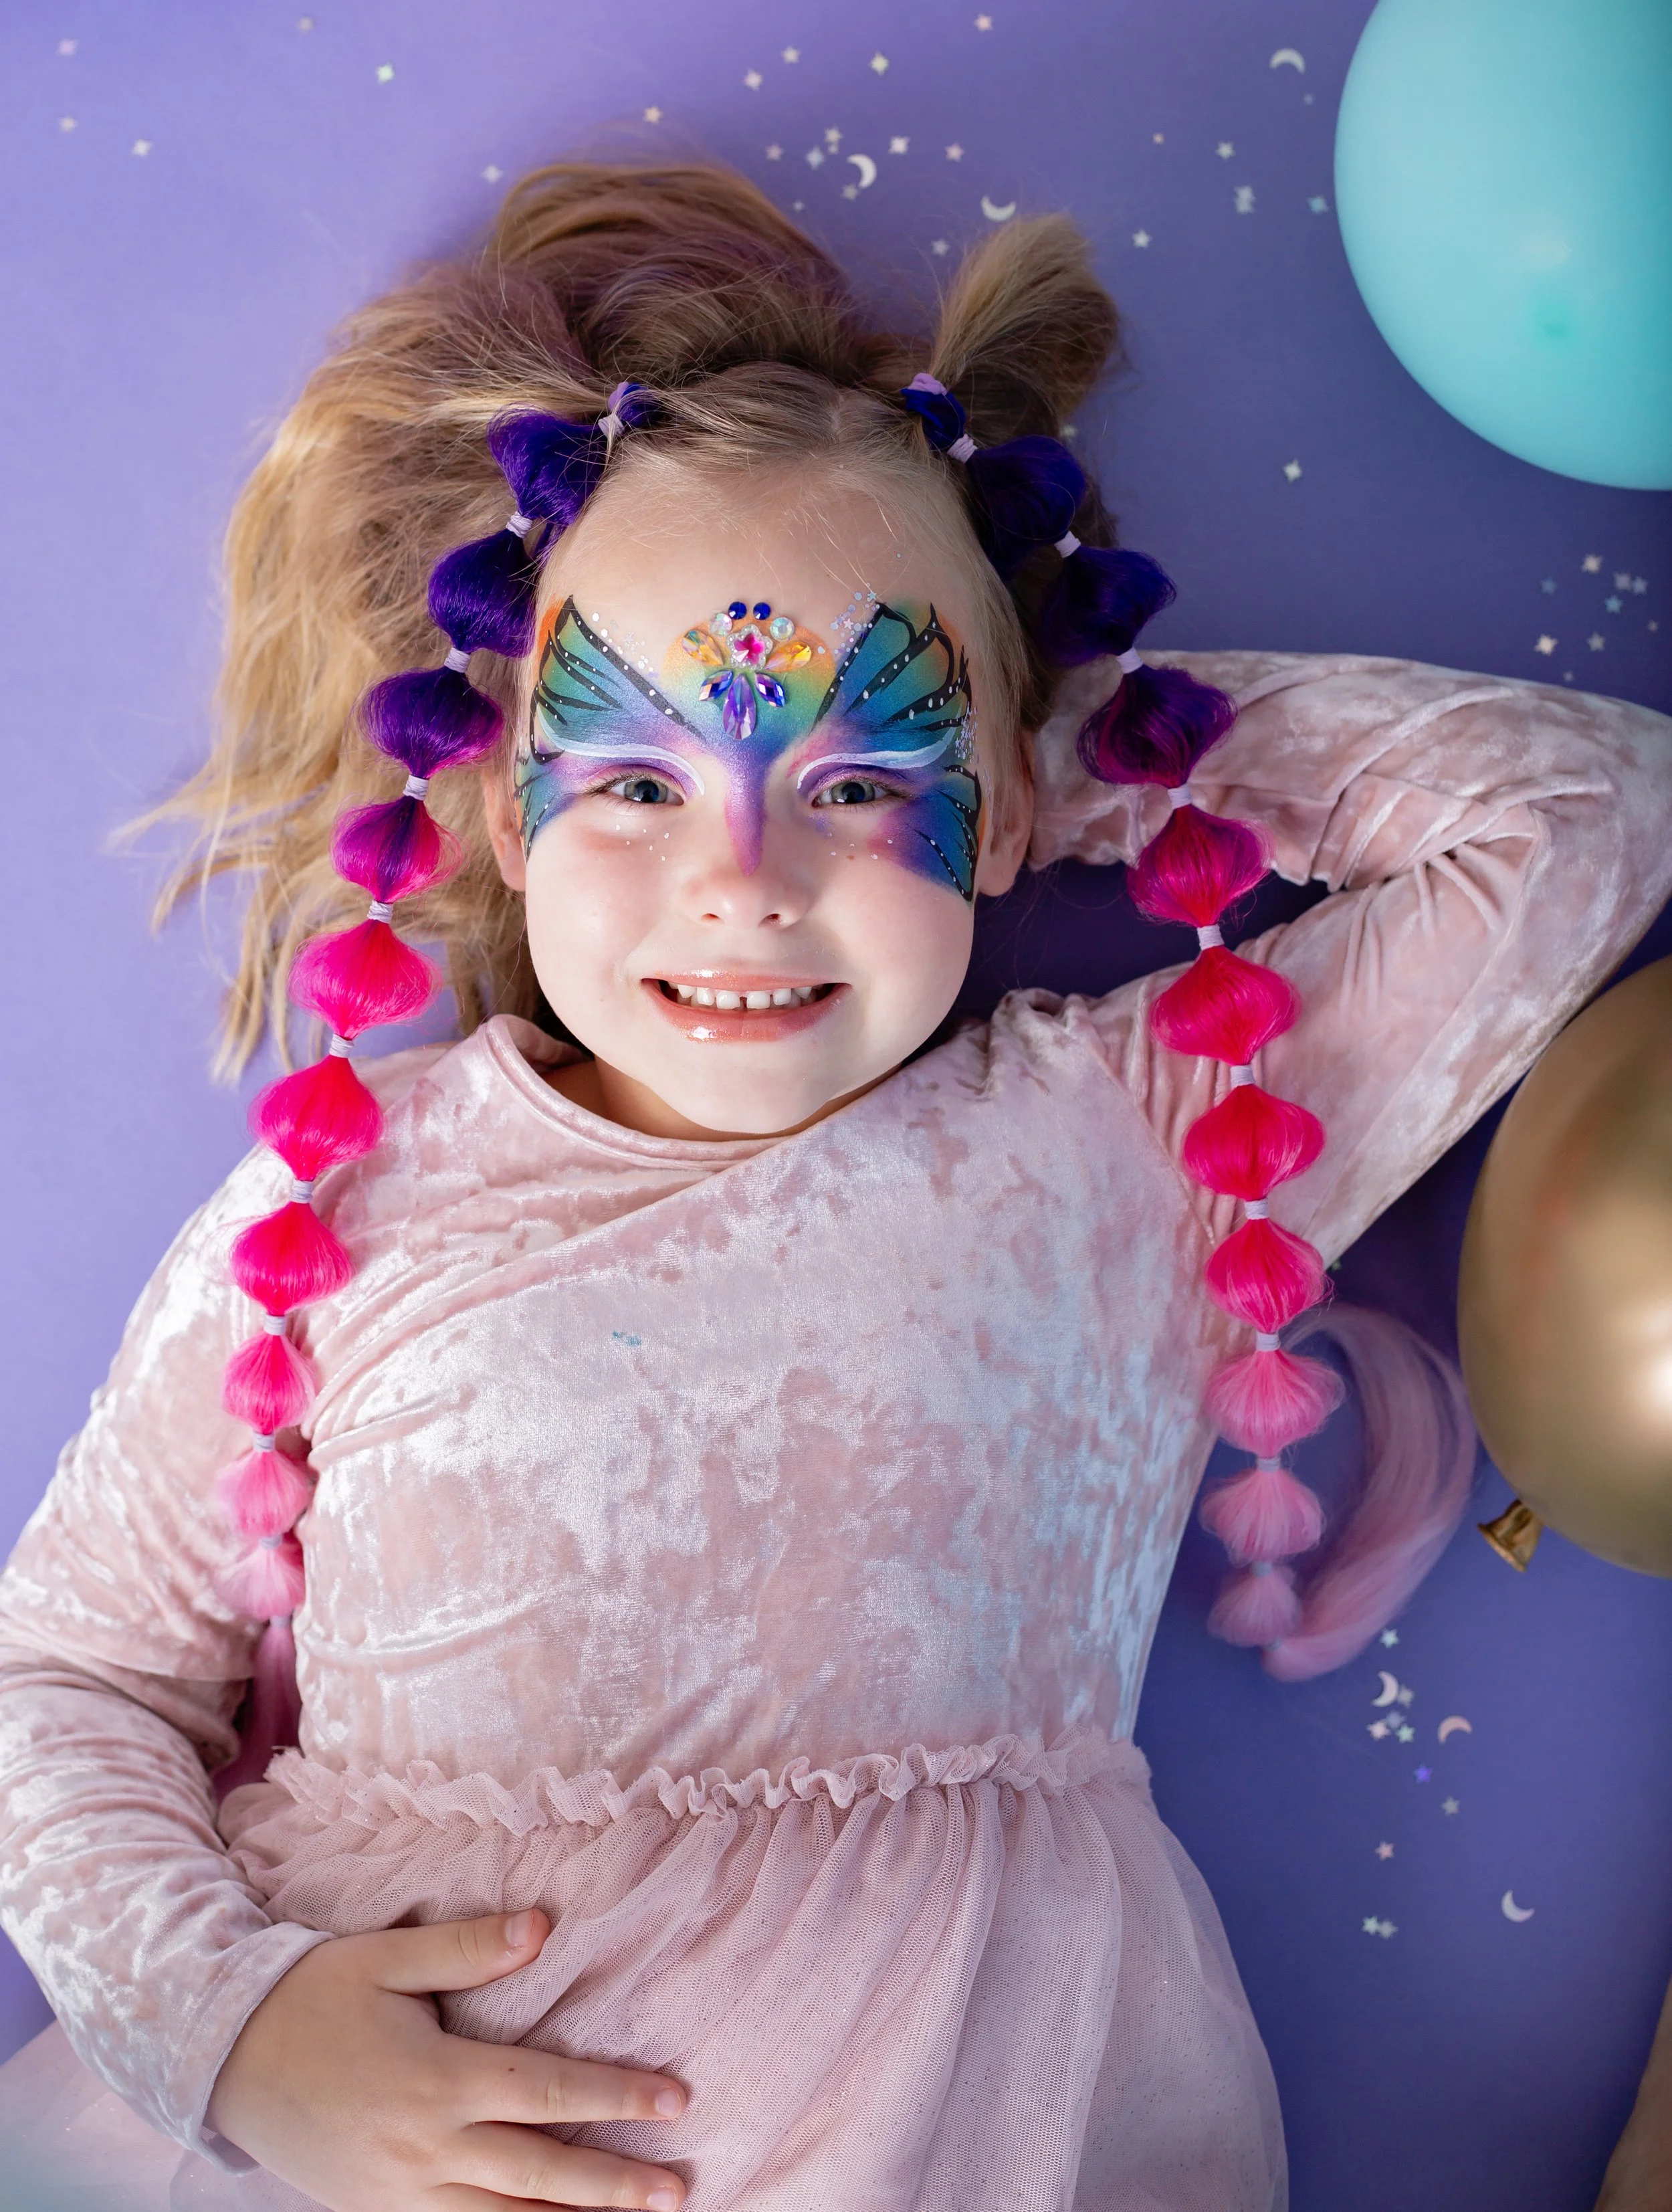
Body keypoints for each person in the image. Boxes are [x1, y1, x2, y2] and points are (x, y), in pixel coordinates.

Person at [0, 158, 1668, 2212]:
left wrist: (1068, 727)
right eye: (632, 780)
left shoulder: (1124, 1143)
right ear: (509, 811)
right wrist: (236, 2036)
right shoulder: (356, 1200)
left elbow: (1581, 816)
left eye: (861, 780)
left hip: (969, 2129)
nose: (744, 875)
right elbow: (63, 1674)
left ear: (1002, 815)